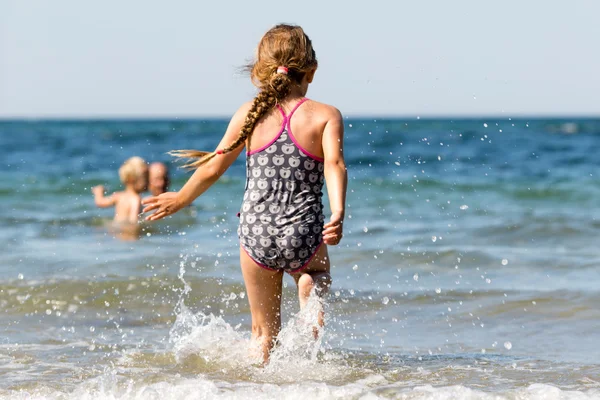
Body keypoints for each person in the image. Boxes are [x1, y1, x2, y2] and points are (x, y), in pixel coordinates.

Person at [142, 24, 347, 364]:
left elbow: (212, 167)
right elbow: (335, 164)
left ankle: (255, 387)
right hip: (302, 231)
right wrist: (338, 211)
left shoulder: (249, 114)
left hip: (256, 232)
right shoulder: (325, 115)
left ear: (258, 72)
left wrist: (180, 199)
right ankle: (310, 288)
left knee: (262, 333)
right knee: (318, 276)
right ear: (311, 72)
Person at [92, 156, 148, 226]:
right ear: (132, 179)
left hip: (117, 230)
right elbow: (134, 221)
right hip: (128, 233)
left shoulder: (118, 195)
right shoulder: (136, 199)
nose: (148, 182)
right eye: (145, 178)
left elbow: (100, 202)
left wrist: (98, 192)